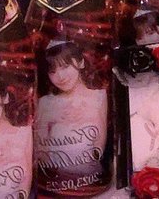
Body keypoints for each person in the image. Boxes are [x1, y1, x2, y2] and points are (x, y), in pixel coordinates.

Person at [34, 41, 107, 181]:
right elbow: (40, 151)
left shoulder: (99, 96)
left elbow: (100, 146)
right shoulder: (46, 103)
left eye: (65, 67)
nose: (60, 77)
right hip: (56, 180)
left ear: (80, 62)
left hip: (92, 178)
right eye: (52, 71)